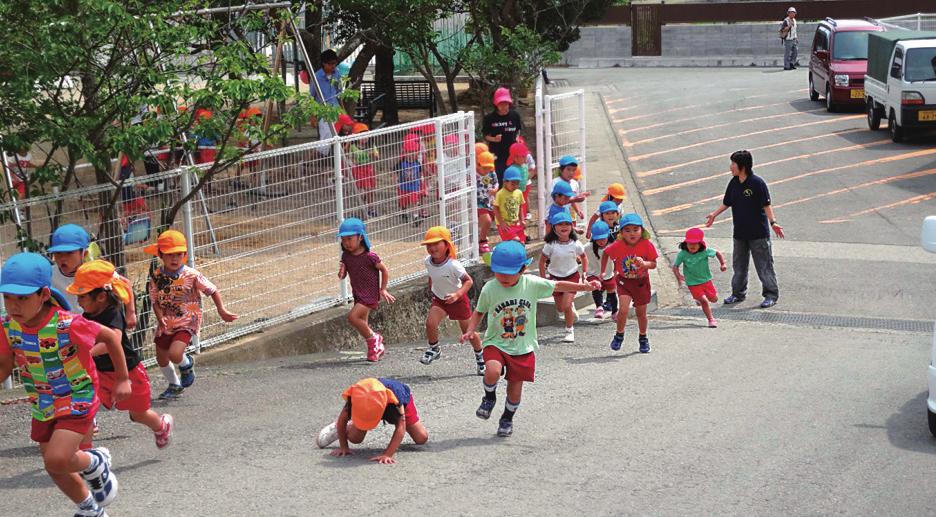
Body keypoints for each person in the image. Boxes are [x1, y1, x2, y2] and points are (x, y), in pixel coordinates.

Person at [0, 252, 129, 517]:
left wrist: (123, 378)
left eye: (22, 298)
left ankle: (97, 461)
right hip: (42, 400)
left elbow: (112, 339)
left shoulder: (67, 324)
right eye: (7, 297)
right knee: (55, 466)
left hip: (77, 392)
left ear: (44, 294)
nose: (13, 305)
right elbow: (4, 366)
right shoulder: (7, 326)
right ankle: (89, 508)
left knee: (56, 458)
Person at [461, 241, 599, 437]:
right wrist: (470, 330)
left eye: (509, 273)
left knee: (515, 389)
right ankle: (489, 397)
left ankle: (507, 418)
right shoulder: (490, 288)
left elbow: (558, 285)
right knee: (492, 370)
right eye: (499, 272)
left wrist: (583, 286)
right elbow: (479, 312)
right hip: (496, 342)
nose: (504, 277)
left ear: (523, 269)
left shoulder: (531, 284)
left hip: (523, 346)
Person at [68, 260, 174, 449]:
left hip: (128, 371)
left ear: (100, 297)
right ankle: (87, 453)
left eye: (82, 296)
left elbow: (113, 341)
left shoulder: (112, 314)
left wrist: (87, 352)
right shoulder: (87, 315)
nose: (78, 301)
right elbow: (124, 281)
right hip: (99, 372)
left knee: (138, 414)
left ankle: (161, 426)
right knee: (84, 409)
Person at [146, 230, 238, 400]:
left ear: (185, 255)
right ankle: (174, 385)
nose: (175, 259)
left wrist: (221, 310)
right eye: (170, 255)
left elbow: (212, 289)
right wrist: (160, 319)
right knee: (161, 357)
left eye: (179, 254)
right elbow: (155, 301)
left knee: (175, 354)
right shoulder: (156, 277)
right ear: (160, 255)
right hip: (167, 321)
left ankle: (186, 364)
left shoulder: (192, 274)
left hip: (188, 320)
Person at [705, 150, 784, 308]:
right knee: (739, 266)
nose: (730, 167)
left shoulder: (757, 183)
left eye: (733, 163)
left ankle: (771, 295)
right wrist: (714, 214)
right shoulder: (733, 183)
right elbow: (727, 202)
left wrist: (773, 223)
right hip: (740, 233)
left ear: (742, 166)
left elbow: (766, 205)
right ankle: (738, 294)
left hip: (758, 234)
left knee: (764, 266)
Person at [419, 227, 485, 375]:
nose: (432, 248)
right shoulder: (428, 262)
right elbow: (432, 276)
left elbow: (468, 281)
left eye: (436, 244)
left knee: (469, 333)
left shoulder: (453, 265)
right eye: (429, 245)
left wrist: (457, 295)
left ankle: (481, 358)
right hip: (440, 299)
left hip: (458, 301)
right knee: (430, 323)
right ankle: (434, 348)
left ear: (446, 244)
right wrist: (433, 289)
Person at [316, 377, 428, 464]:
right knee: (355, 439)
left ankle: (354, 423)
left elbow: (400, 427)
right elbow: (342, 418)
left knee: (421, 438)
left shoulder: (396, 398)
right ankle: (344, 428)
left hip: (394, 403)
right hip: (370, 403)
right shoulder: (358, 395)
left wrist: (388, 454)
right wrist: (343, 447)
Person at [49, 224, 138, 328]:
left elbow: (125, 283)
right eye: (58, 253)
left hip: (98, 324)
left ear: (84, 253)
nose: (63, 258)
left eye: (69, 253)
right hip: (67, 327)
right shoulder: (49, 274)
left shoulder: (96, 270)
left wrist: (130, 313)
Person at [337, 218, 396, 362]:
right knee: (362, 321)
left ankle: (374, 338)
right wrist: (342, 271)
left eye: (350, 239)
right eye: (343, 240)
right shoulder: (346, 256)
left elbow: (384, 270)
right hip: (358, 292)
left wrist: (383, 289)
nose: (346, 243)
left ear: (361, 237)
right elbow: (344, 273)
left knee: (353, 317)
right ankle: (375, 349)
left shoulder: (370, 257)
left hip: (369, 294)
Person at [601, 213, 658, 353]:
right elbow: (606, 253)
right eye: (627, 230)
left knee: (641, 313)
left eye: (635, 229)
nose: (632, 233)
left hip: (641, 282)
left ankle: (643, 337)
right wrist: (603, 271)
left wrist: (644, 263)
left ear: (642, 230)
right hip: (624, 282)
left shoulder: (646, 245)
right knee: (624, 309)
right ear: (621, 233)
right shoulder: (618, 245)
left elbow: (654, 264)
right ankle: (619, 335)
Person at [539, 211, 586, 343]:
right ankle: (570, 308)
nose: (564, 227)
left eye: (567, 224)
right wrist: (543, 279)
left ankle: (569, 330)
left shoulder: (575, 243)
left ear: (572, 227)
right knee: (560, 308)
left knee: (565, 305)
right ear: (554, 227)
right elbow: (541, 262)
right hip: (555, 278)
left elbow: (584, 257)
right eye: (560, 224)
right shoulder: (550, 245)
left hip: (572, 276)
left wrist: (585, 273)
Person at [672, 228, 727, 328]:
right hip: (692, 283)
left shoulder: (705, 251)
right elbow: (675, 266)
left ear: (700, 244)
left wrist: (723, 264)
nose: (692, 246)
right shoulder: (683, 254)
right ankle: (711, 319)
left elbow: (717, 253)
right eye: (689, 244)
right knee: (704, 301)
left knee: (714, 299)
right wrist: (679, 276)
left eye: (695, 243)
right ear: (685, 243)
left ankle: (699, 299)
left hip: (706, 280)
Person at [482, 87, 523, 184]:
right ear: (496, 104)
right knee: (499, 178)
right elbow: (485, 135)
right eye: (501, 104)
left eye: (506, 104)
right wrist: (494, 139)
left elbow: (518, 131)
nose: (504, 106)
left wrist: (517, 138)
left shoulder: (515, 116)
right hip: (497, 153)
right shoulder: (489, 118)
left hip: (512, 154)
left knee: (513, 178)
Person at [585, 221, 618, 320]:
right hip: (593, 273)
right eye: (598, 239)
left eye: (603, 238)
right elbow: (579, 253)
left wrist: (616, 270)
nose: (601, 241)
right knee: (596, 287)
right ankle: (599, 307)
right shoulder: (588, 247)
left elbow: (618, 259)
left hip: (608, 273)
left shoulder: (612, 246)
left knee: (612, 292)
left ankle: (615, 311)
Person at [311, 49, 344, 143]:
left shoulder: (337, 74)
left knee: (337, 139)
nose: (333, 66)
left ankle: (334, 157)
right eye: (330, 64)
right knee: (326, 140)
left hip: (336, 110)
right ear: (324, 63)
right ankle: (316, 157)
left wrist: (343, 111)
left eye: (335, 63)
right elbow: (312, 97)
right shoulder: (317, 77)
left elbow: (339, 94)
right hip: (323, 112)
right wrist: (313, 116)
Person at [348, 123, 379, 216]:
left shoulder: (371, 145)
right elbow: (355, 158)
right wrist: (367, 154)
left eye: (366, 136)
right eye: (362, 136)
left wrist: (375, 155)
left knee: (371, 190)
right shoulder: (353, 147)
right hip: (358, 170)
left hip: (369, 169)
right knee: (363, 191)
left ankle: (370, 208)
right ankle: (364, 208)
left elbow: (377, 156)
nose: (365, 138)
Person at [396, 139, 427, 225]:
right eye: (409, 152)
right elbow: (395, 172)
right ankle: (404, 213)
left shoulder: (417, 163)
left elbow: (420, 172)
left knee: (414, 201)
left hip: (414, 186)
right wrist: (396, 181)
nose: (411, 154)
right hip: (403, 186)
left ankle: (416, 217)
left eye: (413, 152)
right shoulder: (401, 163)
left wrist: (421, 179)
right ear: (405, 152)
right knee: (403, 202)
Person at [493, 166, 526, 244]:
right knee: (516, 241)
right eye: (512, 183)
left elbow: (520, 207)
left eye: (517, 183)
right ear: (505, 182)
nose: (515, 186)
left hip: (516, 223)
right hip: (505, 225)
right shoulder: (500, 194)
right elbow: (495, 208)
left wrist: (522, 220)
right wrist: (501, 222)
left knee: (522, 243)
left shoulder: (519, 193)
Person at [476, 151, 500, 255]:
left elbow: (496, 183)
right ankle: (482, 241)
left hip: (489, 201)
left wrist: (495, 189)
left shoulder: (491, 172)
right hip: (478, 202)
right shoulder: (473, 173)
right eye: (484, 168)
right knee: (487, 221)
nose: (487, 170)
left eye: (489, 167)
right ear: (478, 164)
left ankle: (481, 237)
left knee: (489, 221)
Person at [555, 155, 590, 226]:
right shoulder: (557, 184)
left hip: (569, 213)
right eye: (568, 170)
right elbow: (558, 201)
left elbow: (573, 200)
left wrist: (578, 211)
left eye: (573, 170)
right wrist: (575, 199)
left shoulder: (575, 184)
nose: (571, 173)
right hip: (557, 214)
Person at [507, 141, 535, 221]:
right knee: (517, 204)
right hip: (516, 190)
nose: (525, 158)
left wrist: (530, 175)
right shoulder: (512, 168)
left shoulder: (524, 165)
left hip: (525, 186)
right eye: (523, 156)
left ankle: (522, 219)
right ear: (515, 158)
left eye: (525, 156)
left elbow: (529, 174)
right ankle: (517, 219)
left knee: (523, 203)